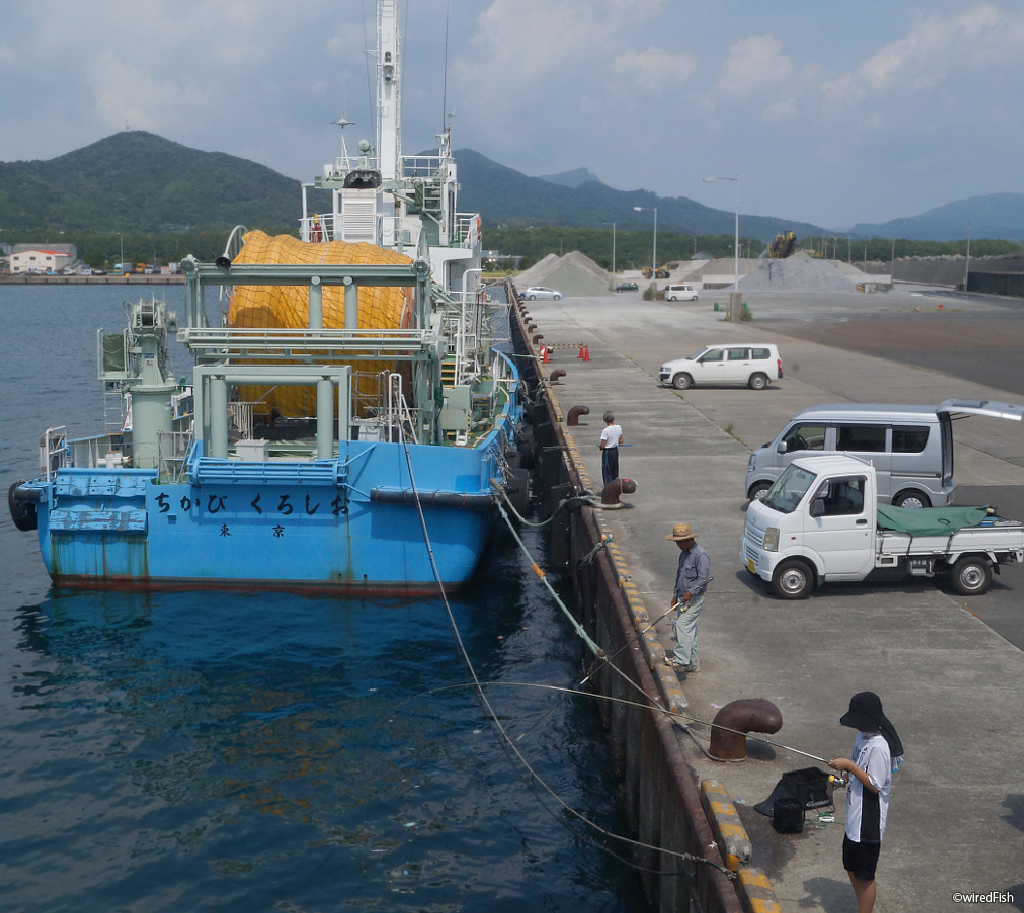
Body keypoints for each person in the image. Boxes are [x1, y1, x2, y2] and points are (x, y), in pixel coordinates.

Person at [829, 692, 904, 913]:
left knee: (864, 876)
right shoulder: (863, 737)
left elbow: (875, 784)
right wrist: (846, 776)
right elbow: (860, 768)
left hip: (867, 821)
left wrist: (850, 766)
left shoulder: (879, 747)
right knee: (851, 867)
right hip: (854, 817)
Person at [664, 522, 710, 672]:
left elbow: (703, 578)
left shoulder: (700, 555)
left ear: (687, 540)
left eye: (679, 542)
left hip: (694, 600)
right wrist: (675, 595)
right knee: (690, 631)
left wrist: (691, 591)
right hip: (682, 599)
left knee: (682, 626)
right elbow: (679, 576)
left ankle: (681, 659)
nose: (677, 545)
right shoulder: (683, 555)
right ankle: (693, 663)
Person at [599, 411, 624, 487]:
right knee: (614, 470)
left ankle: (608, 489)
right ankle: (615, 487)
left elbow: (602, 445)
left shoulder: (605, 431)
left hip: (607, 452)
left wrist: (600, 447)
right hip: (615, 451)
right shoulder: (619, 427)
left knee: (607, 472)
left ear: (604, 419)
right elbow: (621, 441)